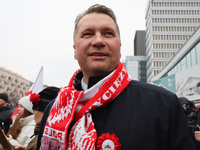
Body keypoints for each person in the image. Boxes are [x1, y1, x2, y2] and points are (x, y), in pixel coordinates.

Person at [37, 4, 195, 150]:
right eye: (87, 34)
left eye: (108, 33)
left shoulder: (164, 105)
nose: (98, 41)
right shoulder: (53, 110)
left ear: (119, 48)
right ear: (74, 50)